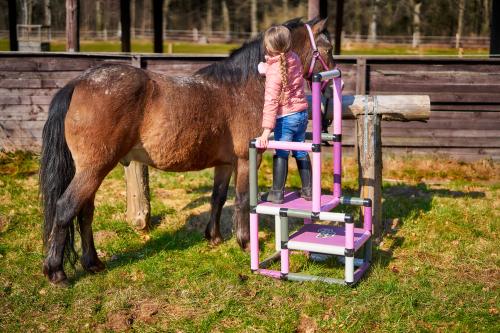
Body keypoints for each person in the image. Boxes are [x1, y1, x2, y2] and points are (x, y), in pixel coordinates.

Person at [257, 25, 312, 204]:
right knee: (300, 150)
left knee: (281, 153)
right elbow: (281, 69)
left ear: (269, 48)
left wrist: (266, 131)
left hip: (286, 118)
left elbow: (271, 102)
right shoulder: (294, 58)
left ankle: (277, 193)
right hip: (302, 114)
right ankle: (308, 190)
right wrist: (265, 68)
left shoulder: (275, 71)